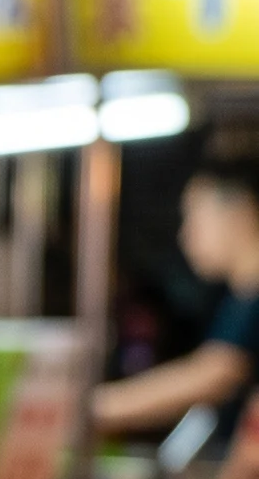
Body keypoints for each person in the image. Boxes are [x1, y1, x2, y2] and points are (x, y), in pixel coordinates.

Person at [95, 153, 259, 433]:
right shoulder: (238, 299)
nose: (185, 236)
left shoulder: (253, 299)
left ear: (240, 212)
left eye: (194, 217)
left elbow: (216, 373)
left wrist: (99, 408)